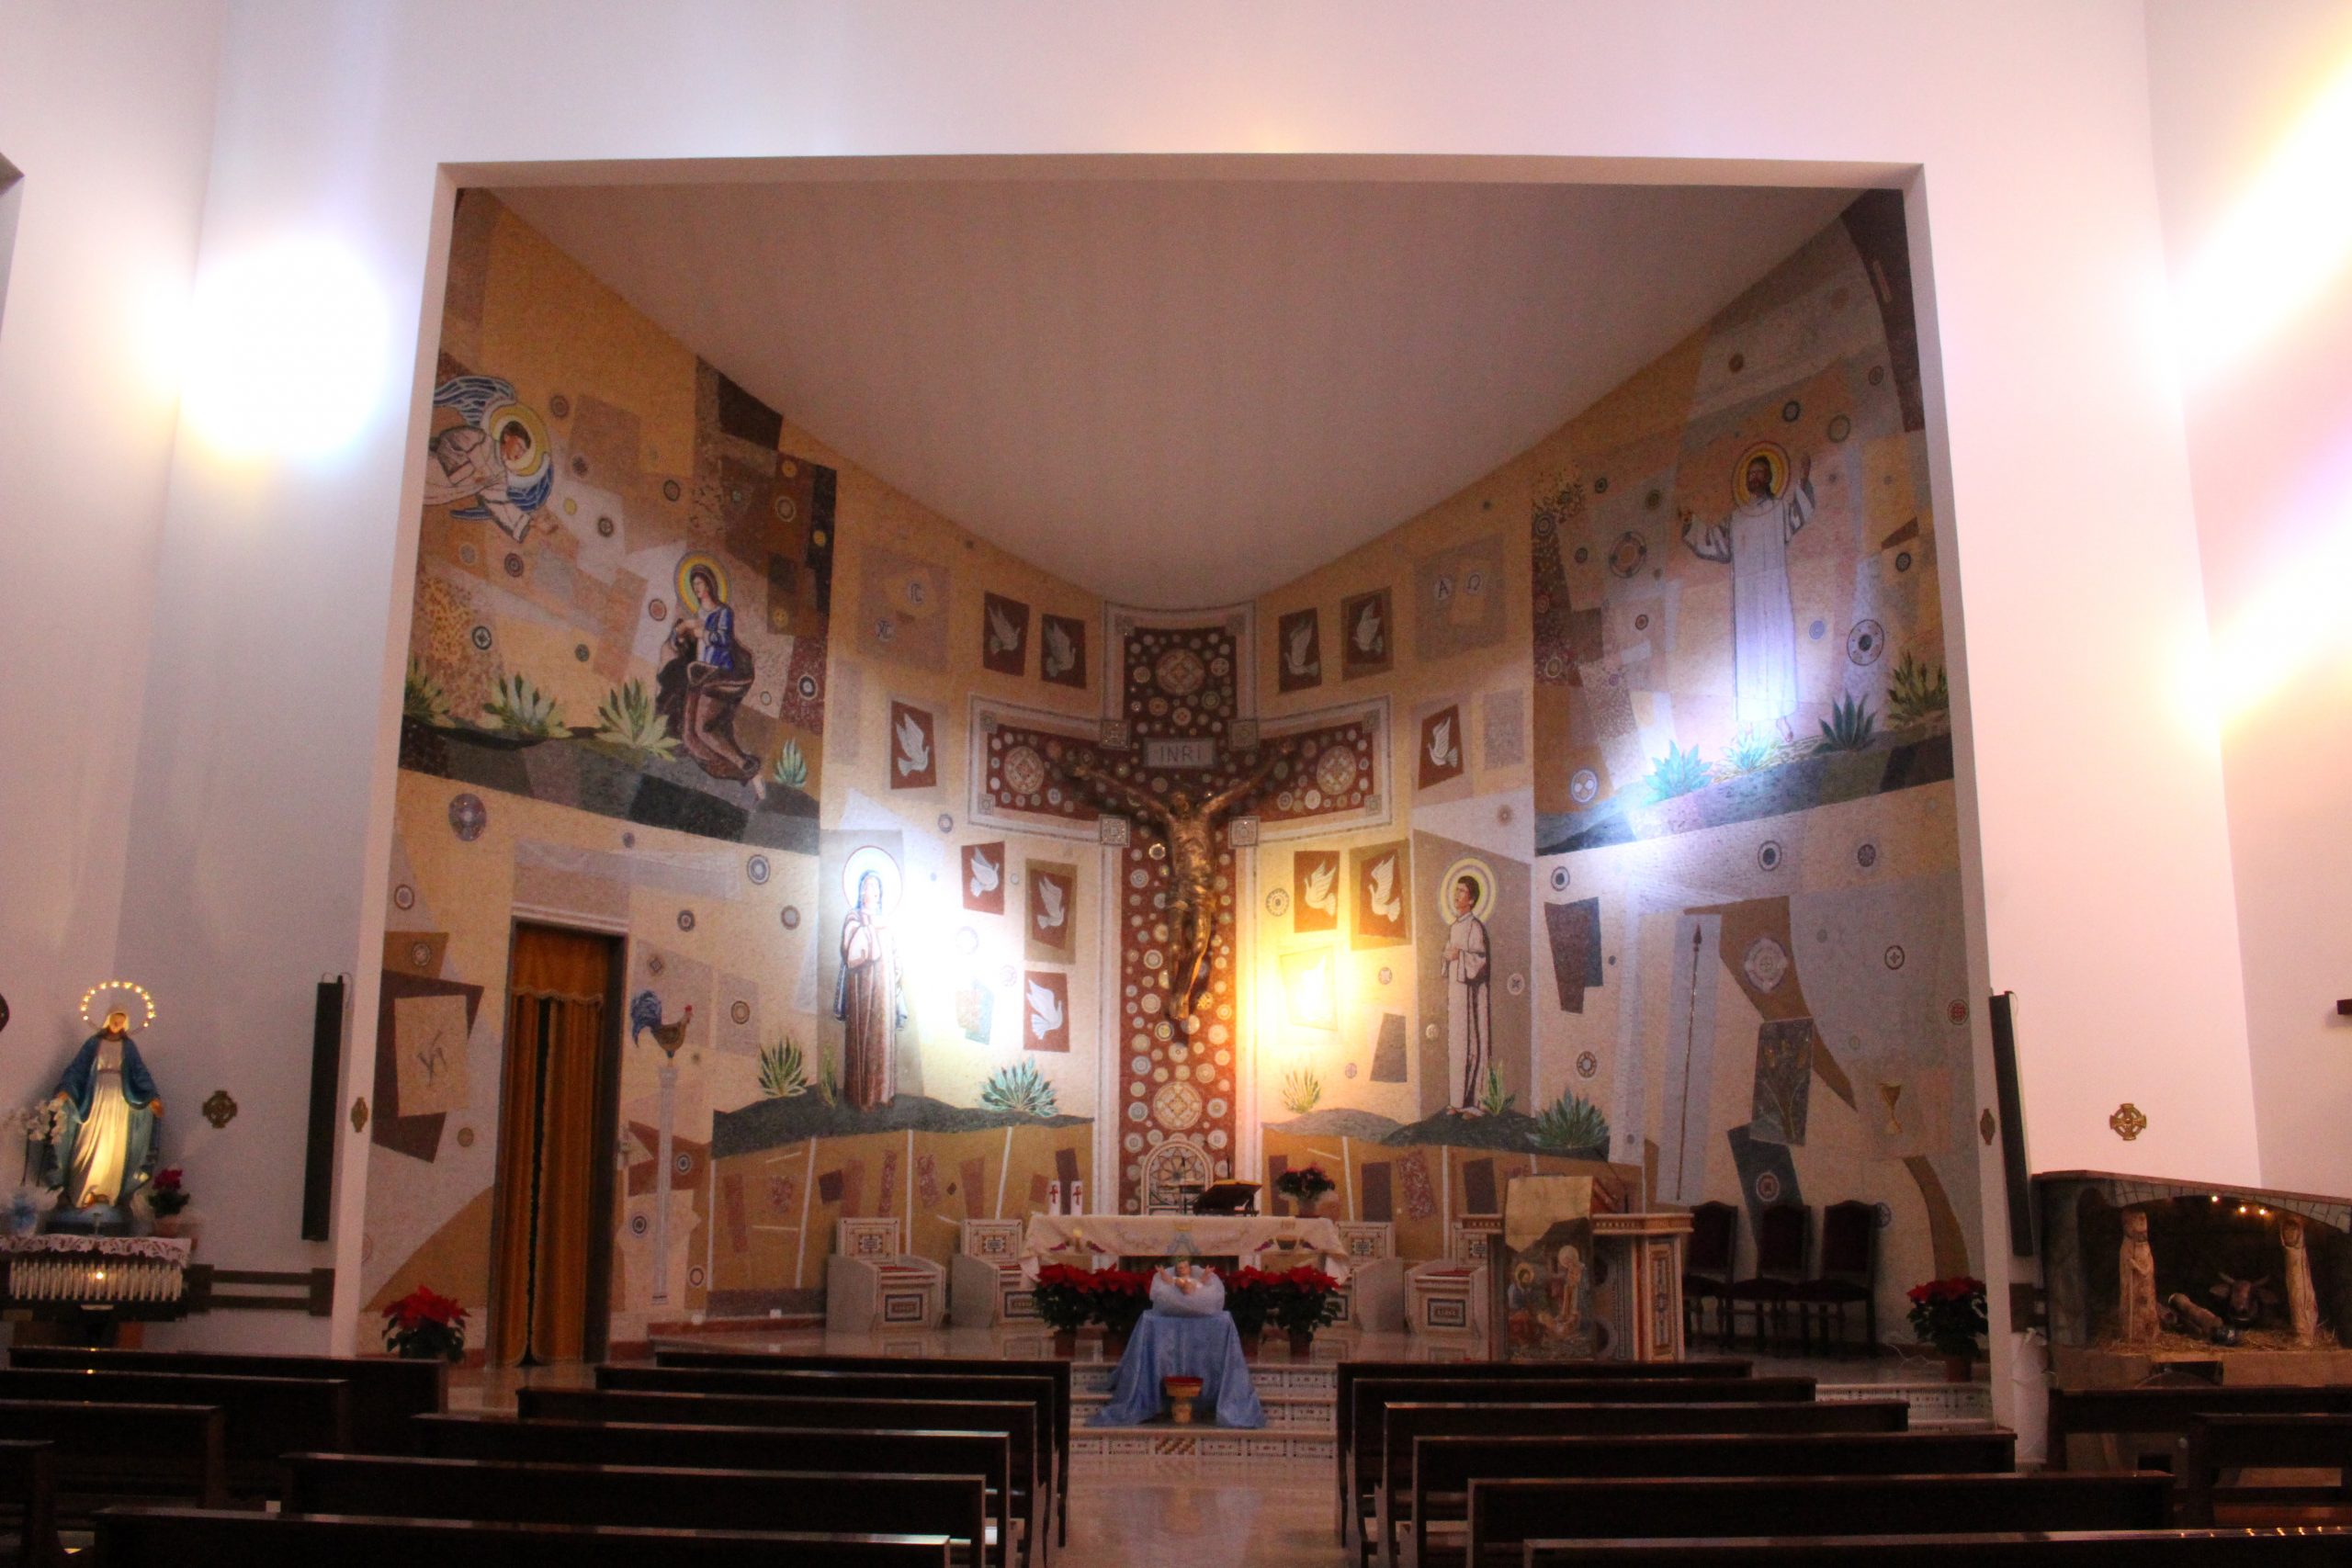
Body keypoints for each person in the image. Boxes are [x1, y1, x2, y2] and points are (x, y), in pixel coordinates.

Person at [1680, 450, 1816, 734]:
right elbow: (1716, 543)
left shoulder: (1779, 510)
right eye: (1750, 474)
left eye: (1759, 473)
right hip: (1747, 596)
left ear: (1769, 477)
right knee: (1749, 653)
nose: (1754, 478)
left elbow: (1799, 515)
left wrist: (1804, 480)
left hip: (1774, 592)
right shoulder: (1736, 518)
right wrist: (1692, 524)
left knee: (1777, 648)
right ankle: (1751, 719)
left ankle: (1781, 717)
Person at [655, 563, 764, 795]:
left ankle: (745, 765)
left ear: (709, 584)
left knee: (703, 730)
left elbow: (723, 640)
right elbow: (679, 640)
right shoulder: (700, 614)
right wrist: (681, 632)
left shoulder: (723, 612)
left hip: (716, 674)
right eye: (693, 584)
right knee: (689, 737)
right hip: (699, 674)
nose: (696, 588)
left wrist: (702, 633)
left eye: (699, 583)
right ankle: (737, 772)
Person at [46, 1009, 163, 1215]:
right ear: (108, 1019)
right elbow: (78, 1068)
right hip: (95, 1096)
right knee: (87, 1142)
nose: (117, 1024)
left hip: (119, 1101)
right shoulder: (94, 1043)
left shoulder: (128, 1046)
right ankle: (79, 1193)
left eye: (121, 1021)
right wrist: (66, 1090)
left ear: (125, 1024)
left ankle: (108, 1193)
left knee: (114, 1144)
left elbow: (140, 1072)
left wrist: (151, 1097)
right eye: (114, 1019)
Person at [834, 869, 905, 1110]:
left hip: (883, 989)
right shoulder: (853, 918)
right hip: (862, 987)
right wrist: (867, 929)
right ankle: (862, 1097)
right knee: (863, 1035)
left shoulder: (887, 922)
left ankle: (882, 1094)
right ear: (859, 891)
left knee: (882, 1038)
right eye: (866, 885)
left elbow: (894, 953)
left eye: (874, 886)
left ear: (880, 893)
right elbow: (850, 952)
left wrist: (897, 972)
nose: (869, 890)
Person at [1442, 874, 1493, 1110]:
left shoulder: (1475, 927)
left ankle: (1474, 1104)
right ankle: (1456, 1102)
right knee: (1457, 1046)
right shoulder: (1454, 927)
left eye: (1462, 891)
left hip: (1471, 997)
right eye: (1456, 890)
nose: (1457, 895)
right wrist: (1447, 957)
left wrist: (1459, 956)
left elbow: (1480, 961)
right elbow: (1448, 957)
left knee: (1473, 1046)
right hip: (1456, 996)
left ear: (1471, 900)